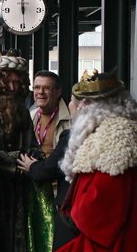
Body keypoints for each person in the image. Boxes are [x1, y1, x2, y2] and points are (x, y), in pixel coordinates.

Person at [0, 48, 53, 252]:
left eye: (17, 82)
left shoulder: (21, 111)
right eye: (7, 82)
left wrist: (35, 155)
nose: (12, 87)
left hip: (18, 192)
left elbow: (33, 145)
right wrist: (19, 160)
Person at [57, 71, 137, 251]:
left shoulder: (115, 141)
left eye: (73, 101)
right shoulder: (111, 133)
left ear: (86, 106)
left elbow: (99, 205)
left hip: (106, 241)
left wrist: (75, 213)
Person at [17, 94, 81, 250]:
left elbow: (52, 167)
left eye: (72, 100)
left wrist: (33, 167)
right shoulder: (31, 114)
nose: (41, 92)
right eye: (37, 87)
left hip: (72, 206)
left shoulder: (75, 135)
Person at [31, 71, 71, 158]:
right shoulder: (29, 116)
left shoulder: (71, 119)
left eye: (47, 88)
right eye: (37, 87)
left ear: (58, 92)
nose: (40, 92)